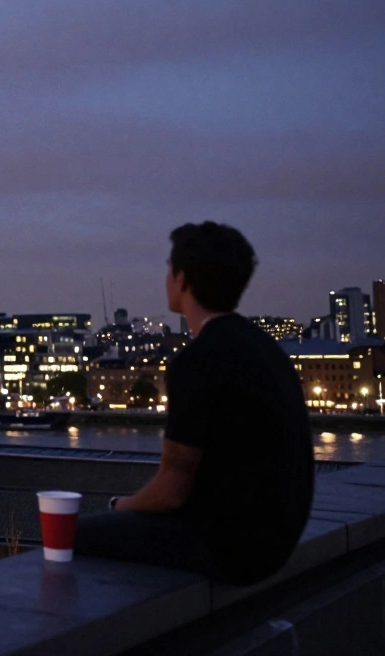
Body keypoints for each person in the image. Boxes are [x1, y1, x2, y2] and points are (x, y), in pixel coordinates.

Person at [75, 222, 314, 586]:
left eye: (169, 268)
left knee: (72, 535)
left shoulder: (196, 361)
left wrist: (119, 507)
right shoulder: (267, 348)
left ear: (183, 279)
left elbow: (172, 490)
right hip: (280, 538)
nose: (166, 278)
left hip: (232, 548)